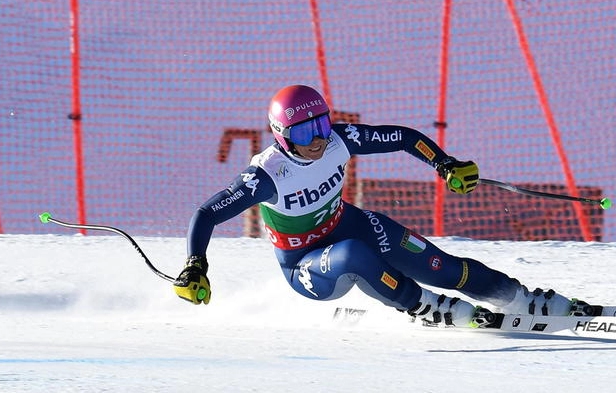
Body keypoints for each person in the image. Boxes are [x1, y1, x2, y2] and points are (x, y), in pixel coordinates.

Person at [173, 84, 590, 327]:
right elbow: (206, 214)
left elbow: (405, 137)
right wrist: (195, 264)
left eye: (321, 125)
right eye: (304, 134)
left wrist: (444, 164)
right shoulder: (267, 174)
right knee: (355, 255)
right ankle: (423, 306)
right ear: (282, 136)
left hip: (350, 225)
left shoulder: (340, 139)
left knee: (442, 266)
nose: (318, 140)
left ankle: (519, 298)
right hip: (305, 265)